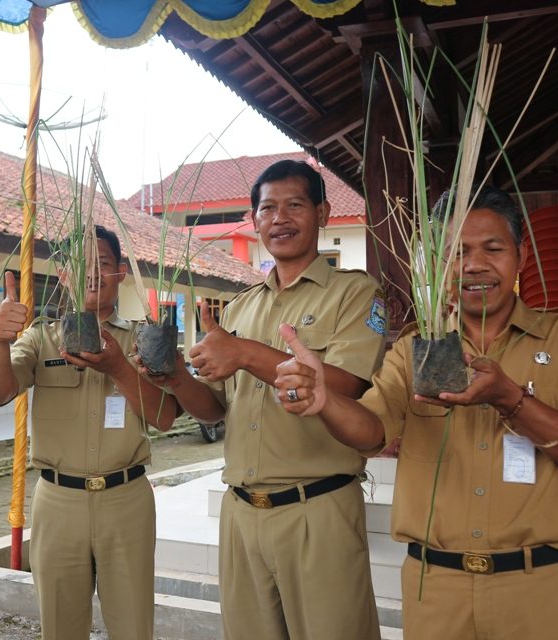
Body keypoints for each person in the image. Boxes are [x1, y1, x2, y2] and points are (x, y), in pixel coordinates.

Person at [275, 186, 558, 639]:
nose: (474, 265)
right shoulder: (415, 349)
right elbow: (371, 430)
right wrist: (326, 402)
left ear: (519, 255)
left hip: (539, 586)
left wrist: (510, 398)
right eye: (456, 253)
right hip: (435, 587)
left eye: (492, 249)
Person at [157, 159, 387, 639]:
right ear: (255, 220)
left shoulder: (356, 294)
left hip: (317, 510)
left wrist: (242, 352)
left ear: (322, 214)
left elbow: (344, 387)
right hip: (242, 514)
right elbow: (214, 410)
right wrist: (177, 376)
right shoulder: (240, 307)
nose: (279, 218)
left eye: (294, 205)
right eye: (268, 209)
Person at [0, 224, 181, 640]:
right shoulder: (41, 337)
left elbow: (164, 418)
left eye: (104, 264)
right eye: (82, 266)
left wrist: (119, 368)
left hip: (126, 501)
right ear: (65, 275)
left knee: (132, 626)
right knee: (60, 626)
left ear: (121, 271)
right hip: (59, 502)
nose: (93, 273)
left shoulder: (143, 339)